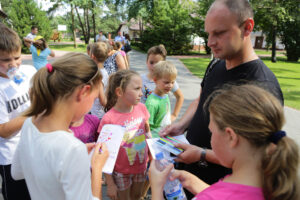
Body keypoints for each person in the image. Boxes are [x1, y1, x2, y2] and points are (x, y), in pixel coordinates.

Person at [160, 0, 284, 199]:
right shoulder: (217, 65)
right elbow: (202, 99)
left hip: (221, 188)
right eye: (208, 33)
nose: (210, 42)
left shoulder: (261, 86)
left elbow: (256, 155)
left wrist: (201, 153)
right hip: (188, 176)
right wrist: (181, 125)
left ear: (247, 28)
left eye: (219, 33)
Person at [151, 84, 299, 200]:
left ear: (231, 137)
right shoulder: (279, 185)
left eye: (212, 131)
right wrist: (192, 182)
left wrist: (157, 189)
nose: (211, 137)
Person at [11, 52, 109, 200]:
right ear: (84, 92)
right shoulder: (72, 149)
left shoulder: (29, 123)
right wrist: (96, 169)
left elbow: (17, 172)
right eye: (94, 98)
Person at [98, 70, 151, 200]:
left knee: (137, 196)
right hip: (121, 172)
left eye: (141, 88)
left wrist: (153, 156)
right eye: (137, 89)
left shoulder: (142, 108)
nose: (141, 93)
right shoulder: (109, 119)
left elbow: (147, 131)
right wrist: (110, 183)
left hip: (141, 166)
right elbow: (103, 154)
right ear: (119, 92)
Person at [0, 23, 36, 200]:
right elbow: (3, 131)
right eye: (6, 60)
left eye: (17, 57)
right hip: (11, 158)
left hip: (35, 149)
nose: (13, 64)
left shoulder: (29, 72)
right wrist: (33, 110)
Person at [142, 44, 184, 122]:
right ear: (146, 62)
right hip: (144, 121)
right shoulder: (140, 80)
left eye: (157, 63)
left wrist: (174, 115)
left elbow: (180, 97)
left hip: (160, 123)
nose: (154, 66)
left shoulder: (168, 80)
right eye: (151, 62)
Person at [145, 61, 177, 138]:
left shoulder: (165, 95)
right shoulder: (152, 103)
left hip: (165, 136)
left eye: (172, 82)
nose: (170, 85)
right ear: (155, 80)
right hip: (155, 140)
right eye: (166, 82)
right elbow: (146, 125)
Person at [90, 42, 109, 120]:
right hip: (97, 112)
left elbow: (102, 99)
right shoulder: (103, 71)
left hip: (97, 114)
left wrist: (110, 108)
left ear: (92, 56)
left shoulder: (99, 75)